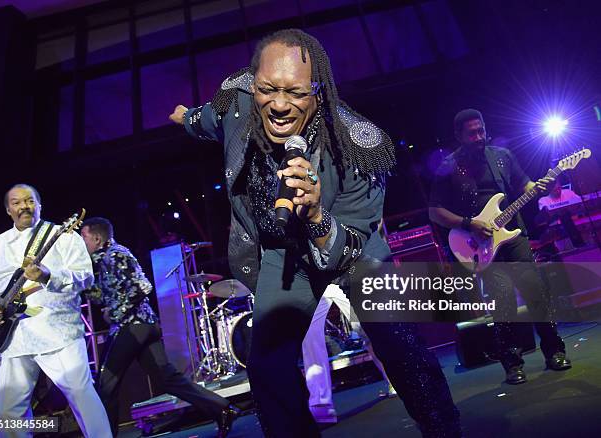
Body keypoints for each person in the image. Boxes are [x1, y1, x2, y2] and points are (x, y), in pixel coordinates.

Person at [170, 29, 460, 437]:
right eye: (268, 89)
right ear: (254, 84)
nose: (279, 105)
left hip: (354, 252)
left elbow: (354, 240)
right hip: (283, 255)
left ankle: (442, 428)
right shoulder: (237, 104)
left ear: (318, 92)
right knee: (267, 361)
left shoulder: (360, 145)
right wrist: (186, 118)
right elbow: (207, 119)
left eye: (296, 93)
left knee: (399, 343)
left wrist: (318, 216)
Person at [429, 109, 572, 385]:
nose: (479, 137)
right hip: (479, 243)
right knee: (502, 302)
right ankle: (512, 363)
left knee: (537, 293)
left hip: (513, 236)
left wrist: (540, 186)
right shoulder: (448, 166)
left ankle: (555, 352)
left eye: (481, 130)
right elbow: (435, 212)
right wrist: (469, 223)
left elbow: (525, 184)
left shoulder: (502, 157)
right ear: (459, 135)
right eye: (472, 133)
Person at [79, 217, 240, 437]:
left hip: (132, 327)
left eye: (84, 237)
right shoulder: (105, 258)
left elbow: (142, 287)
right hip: (143, 326)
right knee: (167, 380)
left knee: (105, 387)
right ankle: (223, 409)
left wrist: (114, 312)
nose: (81, 242)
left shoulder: (115, 254)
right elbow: (101, 295)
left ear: (96, 238)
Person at [0, 184, 112, 438]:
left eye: (29, 201)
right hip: (15, 339)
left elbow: (85, 278)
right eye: (16, 202)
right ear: (7, 209)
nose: (24, 206)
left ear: (39, 204)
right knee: (8, 414)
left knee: (82, 395)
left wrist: (49, 275)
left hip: (59, 333)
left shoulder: (64, 236)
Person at [302, 282, 396, 424]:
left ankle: (394, 380)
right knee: (311, 340)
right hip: (310, 280)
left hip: (341, 273)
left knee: (368, 329)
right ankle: (321, 408)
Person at [537, 179, 585, 248]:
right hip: (555, 225)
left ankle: (578, 243)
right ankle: (578, 243)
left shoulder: (568, 192)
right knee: (564, 216)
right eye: (555, 190)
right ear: (549, 191)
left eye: (559, 188)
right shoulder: (543, 200)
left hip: (573, 219)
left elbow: (581, 201)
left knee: (566, 216)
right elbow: (545, 215)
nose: (558, 191)